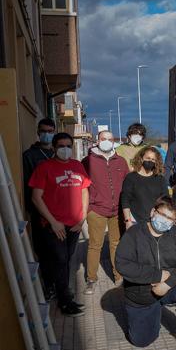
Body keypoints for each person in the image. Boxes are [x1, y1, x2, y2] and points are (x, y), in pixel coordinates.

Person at [115, 196, 176, 350]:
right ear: (153, 211)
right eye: (162, 215)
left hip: (168, 287)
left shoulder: (175, 234)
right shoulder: (134, 234)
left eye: (170, 219)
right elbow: (122, 264)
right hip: (141, 294)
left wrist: (167, 283)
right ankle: (151, 313)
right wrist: (158, 275)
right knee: (141, 341)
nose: (165, 221)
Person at [29, 132, 91, 317]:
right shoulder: (44, 167)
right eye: (61, 146)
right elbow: (36, 197)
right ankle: (65, 300)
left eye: (68, 145)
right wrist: (53, 222)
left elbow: (84, 192)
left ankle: (59, 289)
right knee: (61, 259)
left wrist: (82, 219)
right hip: (54, 226)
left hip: (74, 225)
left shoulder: (77, 165)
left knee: (66, 259)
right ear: (54, 148)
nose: (65, 149)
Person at [82, 130, 129, 294]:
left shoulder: (121, 161)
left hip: (116, 210)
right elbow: (82, 187)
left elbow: (127, 185)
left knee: (116, 244)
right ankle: (91, 279)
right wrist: (87, 208)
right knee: (95, 245)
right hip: (96, 210)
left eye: (110, 139)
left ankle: (118, 276)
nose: (107, 141)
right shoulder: (87, 161)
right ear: (97, 140)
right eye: (104, 139)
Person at [23, 118, 56, 299]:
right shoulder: (29, 156)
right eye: (44, 130)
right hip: (40, 213)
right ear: (38, 132)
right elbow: (28, 187)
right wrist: (32, 210)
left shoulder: (57, 153)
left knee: (59, 252)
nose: (47, 134)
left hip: (60, 211)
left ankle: (60, 285)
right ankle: (49, 286)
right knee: (43, 252)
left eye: (50, 130)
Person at [121, 146, 168, 228]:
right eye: (148, 158)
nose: (150, 161)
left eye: (153, 159)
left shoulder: (160, 179)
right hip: (135, 221)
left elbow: (165, 199)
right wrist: (127, 220)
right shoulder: (131, 177)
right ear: (141, 159)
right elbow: (125, 200)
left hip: (155, 221)